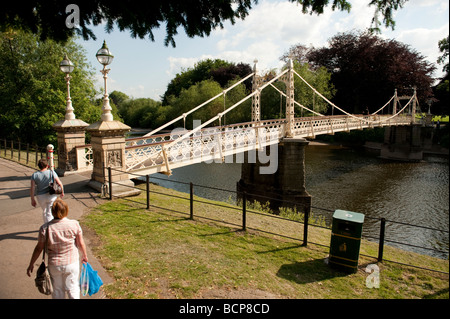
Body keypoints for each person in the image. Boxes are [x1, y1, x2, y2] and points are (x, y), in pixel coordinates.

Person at [27, 198, 88, 299]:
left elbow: (39, 248)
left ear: (52, 212)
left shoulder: (45, 228)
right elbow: (80, 243)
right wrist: (84, 255)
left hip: (54, 265)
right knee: (72, 289)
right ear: (66, 210)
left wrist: (31, 264)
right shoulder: (74, 224)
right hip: (71, 262)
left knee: (57, 291)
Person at [30, 158, 64, 223]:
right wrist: (62, 192)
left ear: (39, 166)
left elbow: (32, 188)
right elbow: (59, 183)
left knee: (45, 211)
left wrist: (32, 199)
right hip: (51, 195)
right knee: (49, 212)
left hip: (40, 196)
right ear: (47, 165)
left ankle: (46, 225)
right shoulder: (51, 172)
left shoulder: (34, 175)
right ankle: (50, 225)